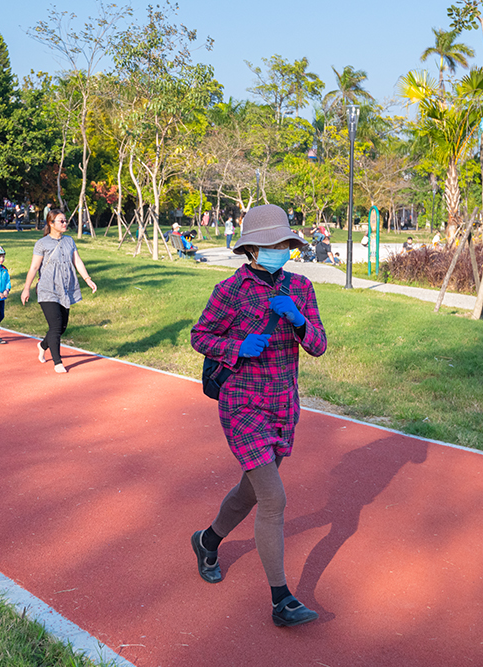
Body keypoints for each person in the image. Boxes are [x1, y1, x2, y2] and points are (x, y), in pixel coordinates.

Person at [190, 204, 327, 628]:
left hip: (283, 407)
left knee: (251, 492)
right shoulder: (230, 290)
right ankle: (282, 600)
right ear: (251, 249)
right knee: (273, 498)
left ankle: (207, 540)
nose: (278, 249)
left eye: (284, 242)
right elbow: (200, 335)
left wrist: (300, 321)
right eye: (268, 244)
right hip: (242, 404)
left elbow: (319, 346)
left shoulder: (302, 288)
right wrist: (235, 348)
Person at [20, 208, 97, 374]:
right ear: (51, 223)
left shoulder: (69, 241)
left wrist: (87, 279)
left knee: (62, 326)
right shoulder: (42, 244)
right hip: (47, 289)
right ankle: (58, 362)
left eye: (65, 220)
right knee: (55, 325)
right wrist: (26, 288)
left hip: (65, 289)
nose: (65, 223)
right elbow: (34, 267)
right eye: (61, 221)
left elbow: (77, 261)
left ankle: (43, 345)